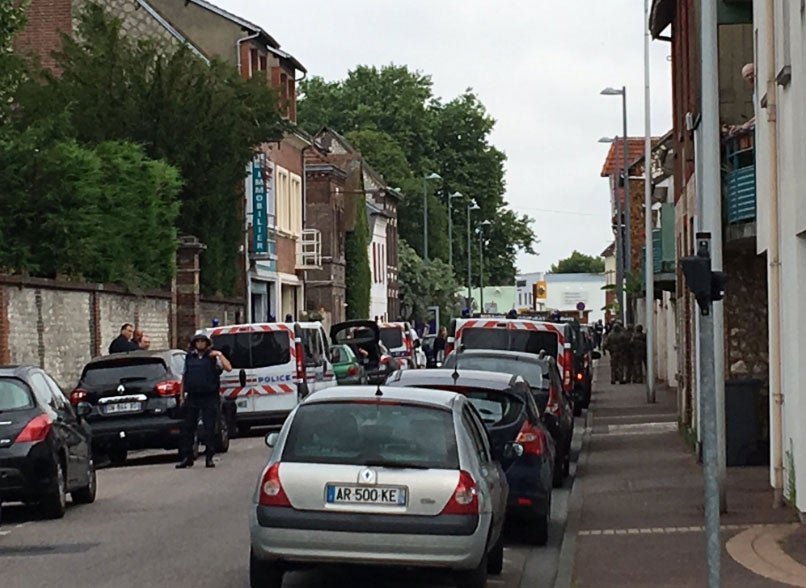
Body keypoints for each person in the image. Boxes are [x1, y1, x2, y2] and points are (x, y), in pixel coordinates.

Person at [176, 333, 232, 469]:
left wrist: (219, 355)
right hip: (193, 396)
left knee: (210, 428)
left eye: (203, 341)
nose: (200, 344)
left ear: (207, 344)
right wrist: (182, 396)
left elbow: (228, 368)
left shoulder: (212, 358)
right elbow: (184, 377)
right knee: (188, 428)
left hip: (209, 396)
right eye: (198, 341)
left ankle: (209, 457)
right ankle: (187, 458)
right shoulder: (189, 357)